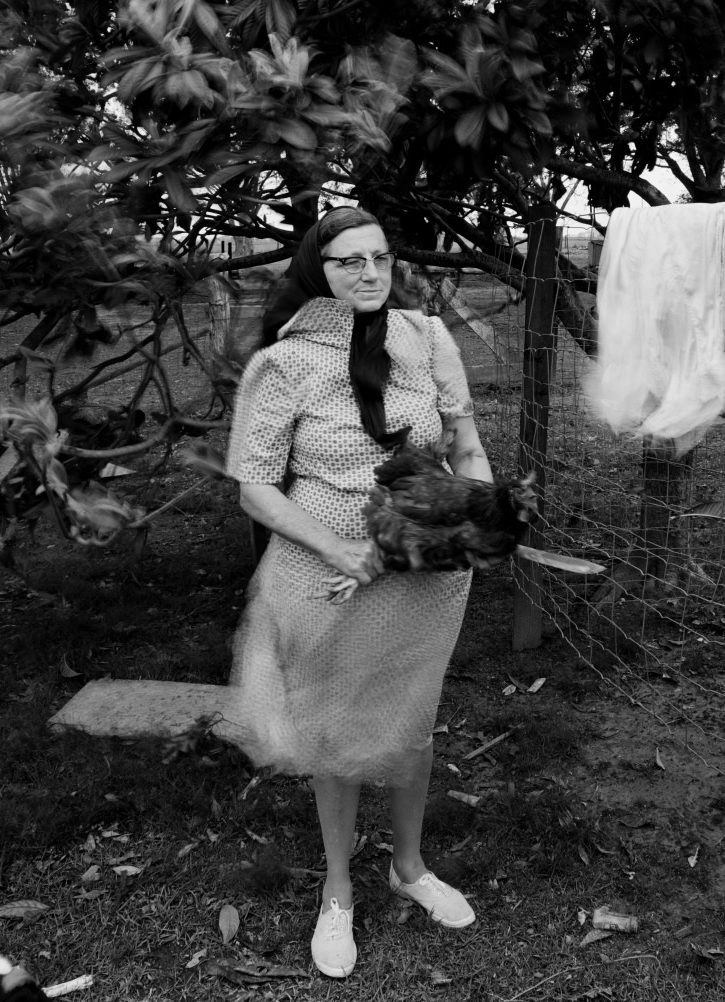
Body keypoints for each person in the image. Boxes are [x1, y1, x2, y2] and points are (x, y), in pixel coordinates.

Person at [224, 205, 493, 978]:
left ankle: (408, 868)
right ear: (319, 269)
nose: (369, 273)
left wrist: (481, 518)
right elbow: (254, 488)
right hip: (324, 578)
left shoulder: (428, 339)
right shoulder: (282, 365)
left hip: (421, 574)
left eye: (378, 257)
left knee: (413, 720)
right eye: (349, 261)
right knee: (333, 730)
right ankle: (338, 891)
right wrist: (341, 544)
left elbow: (466, 444)